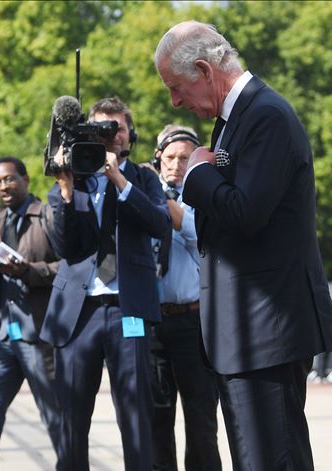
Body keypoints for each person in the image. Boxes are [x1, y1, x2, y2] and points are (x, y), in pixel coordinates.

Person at [155, 21, 332, 470]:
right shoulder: (236, 118)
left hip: (267, 331)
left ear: (205, 68)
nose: (175, 101)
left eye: (177, 88)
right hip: (245, 332)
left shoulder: (265, 115)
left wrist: (197, 175)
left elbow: (246, 212)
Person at [41, 96, 172, 471]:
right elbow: (66, 248)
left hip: (126, 308)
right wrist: (67, 192)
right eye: (102, 129)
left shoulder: (145, 177)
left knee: (135, 415)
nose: (111, 136)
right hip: (78, 313)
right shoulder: (73, 178)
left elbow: (161, 226)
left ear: (131, 135)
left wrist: (119, 178)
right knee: (71, 418)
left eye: (118, 129)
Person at [0, 156, 62, 470]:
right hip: (2, 338)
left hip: (37, 335)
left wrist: (29, 270)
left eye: (9, 179)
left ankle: (70, 464)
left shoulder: (47, 216)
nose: (3, 187)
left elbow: (69, 267)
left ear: (25, 179)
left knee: (52, 413)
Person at [149, 124, 221, 471]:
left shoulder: (205, 196)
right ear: (158, 158)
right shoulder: (141, 195)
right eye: (170, 157)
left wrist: (159, 199)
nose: (176, 165)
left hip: (194, 321)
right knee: (156, 418)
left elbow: (195, 236)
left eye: (185, 158)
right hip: (153, 321)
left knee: (201, 419)